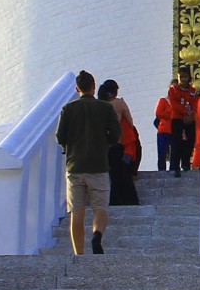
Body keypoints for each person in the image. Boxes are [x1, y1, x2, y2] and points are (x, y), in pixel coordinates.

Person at [56, 70, 120, 253]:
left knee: (77, 211)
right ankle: (97, 235)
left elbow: (60, 137)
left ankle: (79, 253)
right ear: (94, 86)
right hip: (98, 166)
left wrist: (70, 147)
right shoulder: (106, 108)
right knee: (100, 208)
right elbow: (115, 135)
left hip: (75, 167)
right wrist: (103, 144)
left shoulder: (68, 109)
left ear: (77, 89)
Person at [99, 79, 142, 206]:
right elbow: (130, 120)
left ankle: (115, 200)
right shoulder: (119, 103)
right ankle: (130, 200)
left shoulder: (100, 105)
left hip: (107, 145)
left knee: (114, 174)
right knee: (124, 173)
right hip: (122, 143)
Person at [166, 65, 200, 176]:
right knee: (176, 143)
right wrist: (185, 111)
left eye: (186, 77)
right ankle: (175, 167)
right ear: (178, 76)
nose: (184, 79)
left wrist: (192, 114)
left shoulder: (193, 90)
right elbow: (174, 104)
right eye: (181, 76)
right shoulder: (173, 90)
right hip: (177, 119)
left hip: (190, 119)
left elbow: (195, 103)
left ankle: (185, 164)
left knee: (190, 141)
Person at [152, 88, 176, 173]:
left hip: (174, 130)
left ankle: (173, 170)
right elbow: (158, 113)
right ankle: (161, 171)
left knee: (174, 153)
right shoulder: (163, 100)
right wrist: (171, 115)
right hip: (163, 130)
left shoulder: (178, 103)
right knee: (162, 153)